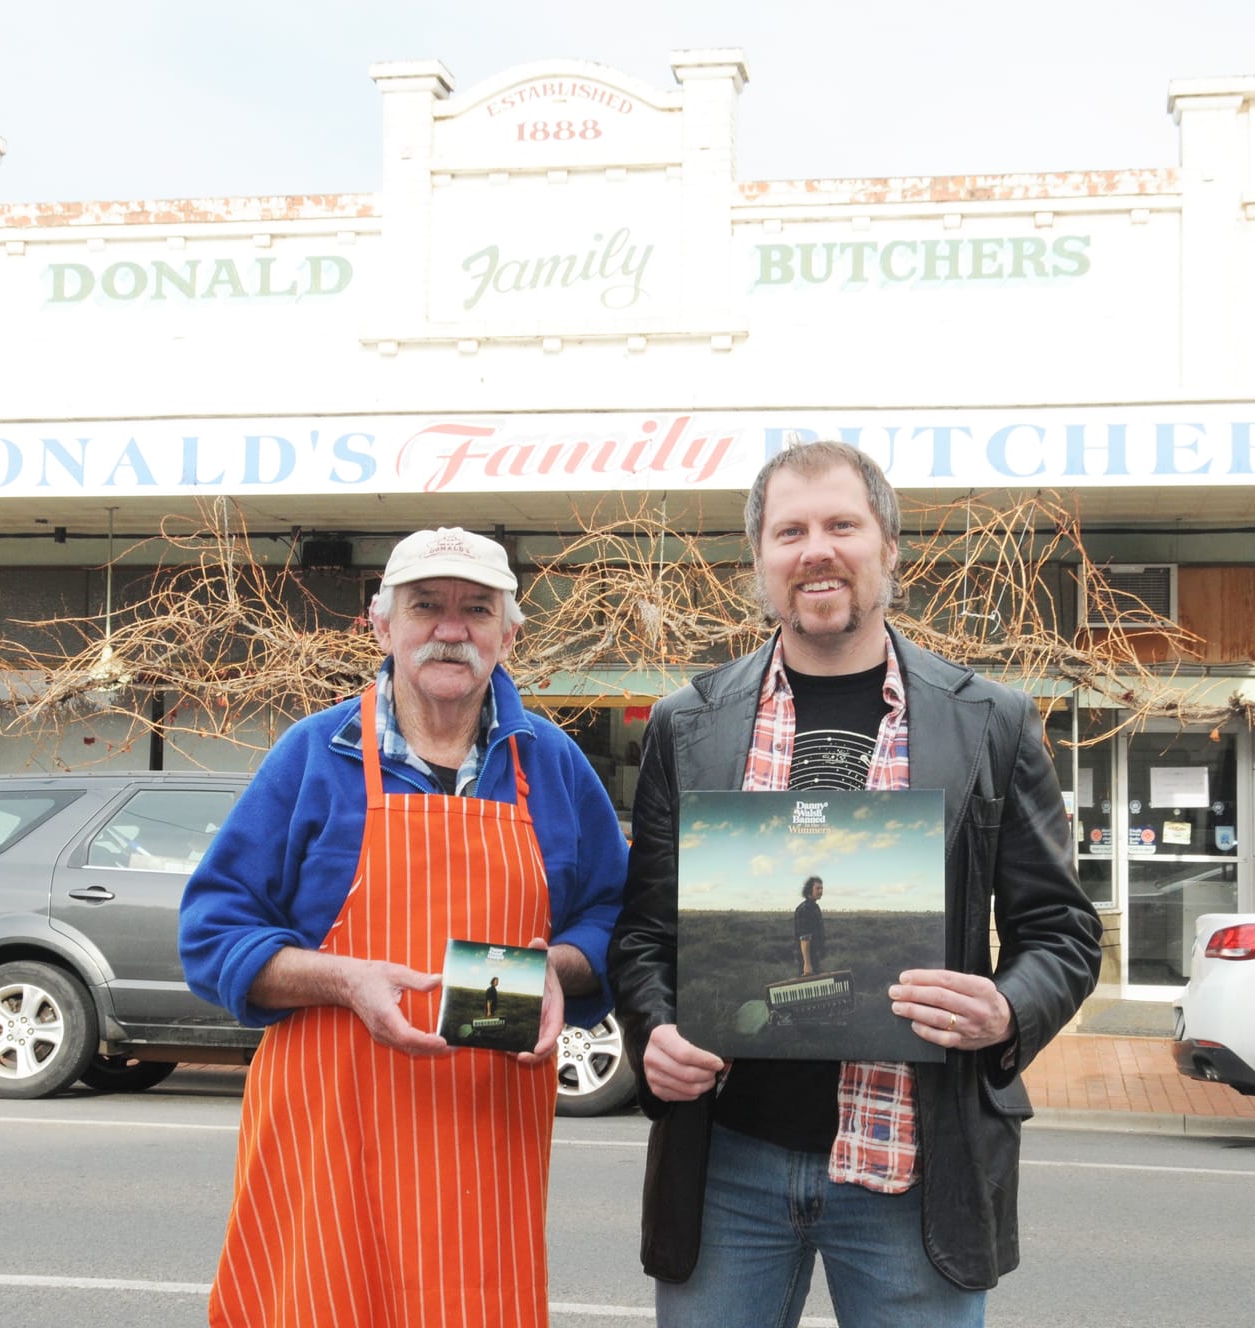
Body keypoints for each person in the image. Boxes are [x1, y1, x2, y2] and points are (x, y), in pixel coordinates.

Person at [608, 441, 1102, 1327]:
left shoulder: (988, 721)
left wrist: (1007, 1010)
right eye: (789, 531)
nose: (816, 550)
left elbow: (1061, 930)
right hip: (727, 1164)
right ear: (759, 560)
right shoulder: (687, 725)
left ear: (888, 546)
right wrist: (653, 1032)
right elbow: (645, 933)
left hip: (911, 1163)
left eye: (842, 524)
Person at [181, 525, 629, 1328]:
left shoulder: (553, 765)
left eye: (476, 609)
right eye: (427, 606)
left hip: (488, 1137)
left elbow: (612, 915)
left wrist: (560, 967)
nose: (451, 629)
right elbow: (213, 930)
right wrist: (343, 978)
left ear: (508, 633)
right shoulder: (312, 755)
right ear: (383, 625)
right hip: (329, 1130)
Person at [793, 875, 825, 976]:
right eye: (817, 888)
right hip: (807, 960)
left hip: (815, 957)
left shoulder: (814, 907)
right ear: (809, 890)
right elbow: (804, 939)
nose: (820, 891)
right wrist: (807, 964)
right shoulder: (805, 909)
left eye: (821, 888)